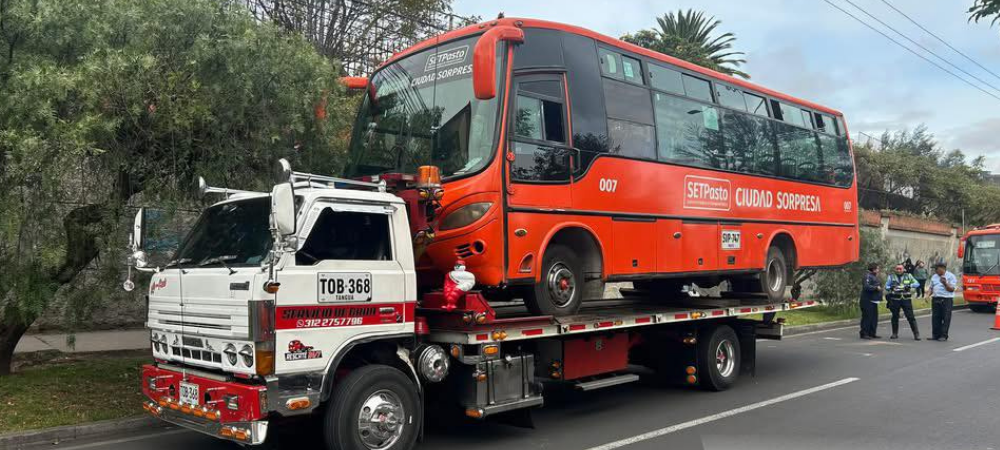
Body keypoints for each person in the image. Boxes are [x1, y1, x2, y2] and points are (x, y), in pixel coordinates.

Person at [885, 264, 921, 340]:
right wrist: (891, 287)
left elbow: (917, 284)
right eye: (897, 269)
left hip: (906, 299)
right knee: (895, 316)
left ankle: (916, 334)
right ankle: (894, 333)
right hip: (895, 299)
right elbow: (886, 286)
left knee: (910, 317)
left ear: (903, 269)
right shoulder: (891, 277)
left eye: (900, 269)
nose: (898, 270)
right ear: (895, 269)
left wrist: (910, 285)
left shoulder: (908, 276)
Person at [927, 262, 958, 341]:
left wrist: (945, 283)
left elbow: (951, 289)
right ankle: (935, 335)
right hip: (936, 298)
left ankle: (943, 335)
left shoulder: (951, 276)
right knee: (935, 317)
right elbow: (931, 287)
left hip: (946, 299)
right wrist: (927, 295)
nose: (935, 271)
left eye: (936, 269)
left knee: (946, 317)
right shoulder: (934, 276)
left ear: (942, 268)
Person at [859, 262, 883, 339]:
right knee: (867, 317)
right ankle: (864, 333)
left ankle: (872, 333)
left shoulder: (874, 276)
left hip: (874, 300)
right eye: (877, 268)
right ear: (873, 269)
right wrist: (876, 288)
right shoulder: (867, 276)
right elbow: (866, 286)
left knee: (874, 318)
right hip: (867, 300)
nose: (878, 270)